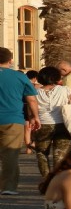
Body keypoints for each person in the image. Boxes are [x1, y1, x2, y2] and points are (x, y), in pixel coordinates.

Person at [0, 48, 40, 195]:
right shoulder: (19, 77)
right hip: (13, 119)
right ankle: (8, 187)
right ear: (10, 60)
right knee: (10, 154)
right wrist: (35, 117)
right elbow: (31, 99)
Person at [33, 66, 71, 177]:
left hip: (43, 124)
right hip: (63, 124)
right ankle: (58, 179)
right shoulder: (64, 90)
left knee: (42, 153)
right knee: (60, 155)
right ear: (57, 78)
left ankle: (47, 180)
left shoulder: (35, 92)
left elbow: (31, 110)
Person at [23, 70, 41, 154]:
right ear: (34, 78)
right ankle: (33, 143)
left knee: (27, 128)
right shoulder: (36, 86)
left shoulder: (22, 84)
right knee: (35, 126)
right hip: (32, 107)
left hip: (23, 106)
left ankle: (28, 148)